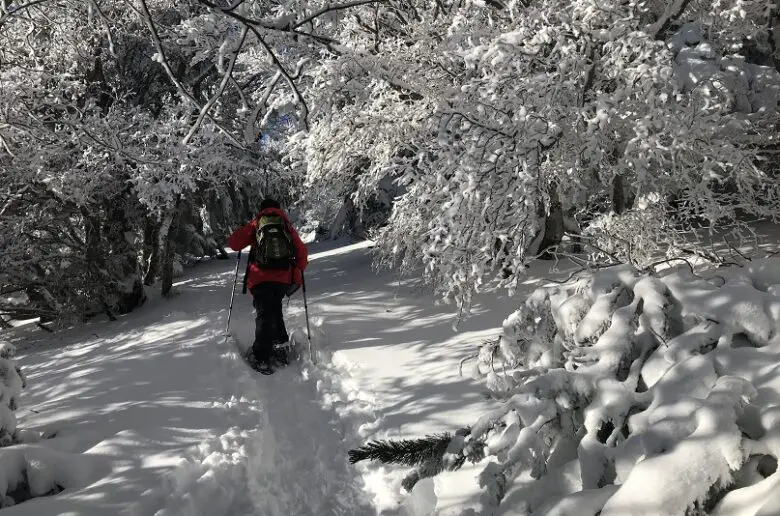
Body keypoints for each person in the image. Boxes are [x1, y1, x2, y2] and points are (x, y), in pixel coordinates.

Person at [227, 199, 308, 374]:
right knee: (275, 310)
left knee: (264, 314)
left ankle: (262, 356)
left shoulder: (257, 223)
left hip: (260, 277)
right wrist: (299, 268)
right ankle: (280, 348)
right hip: (282, 278)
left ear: (261, 209)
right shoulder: (285, 225)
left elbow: (234, 244)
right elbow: (301, 251)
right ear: (278, 209)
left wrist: (245, 228)